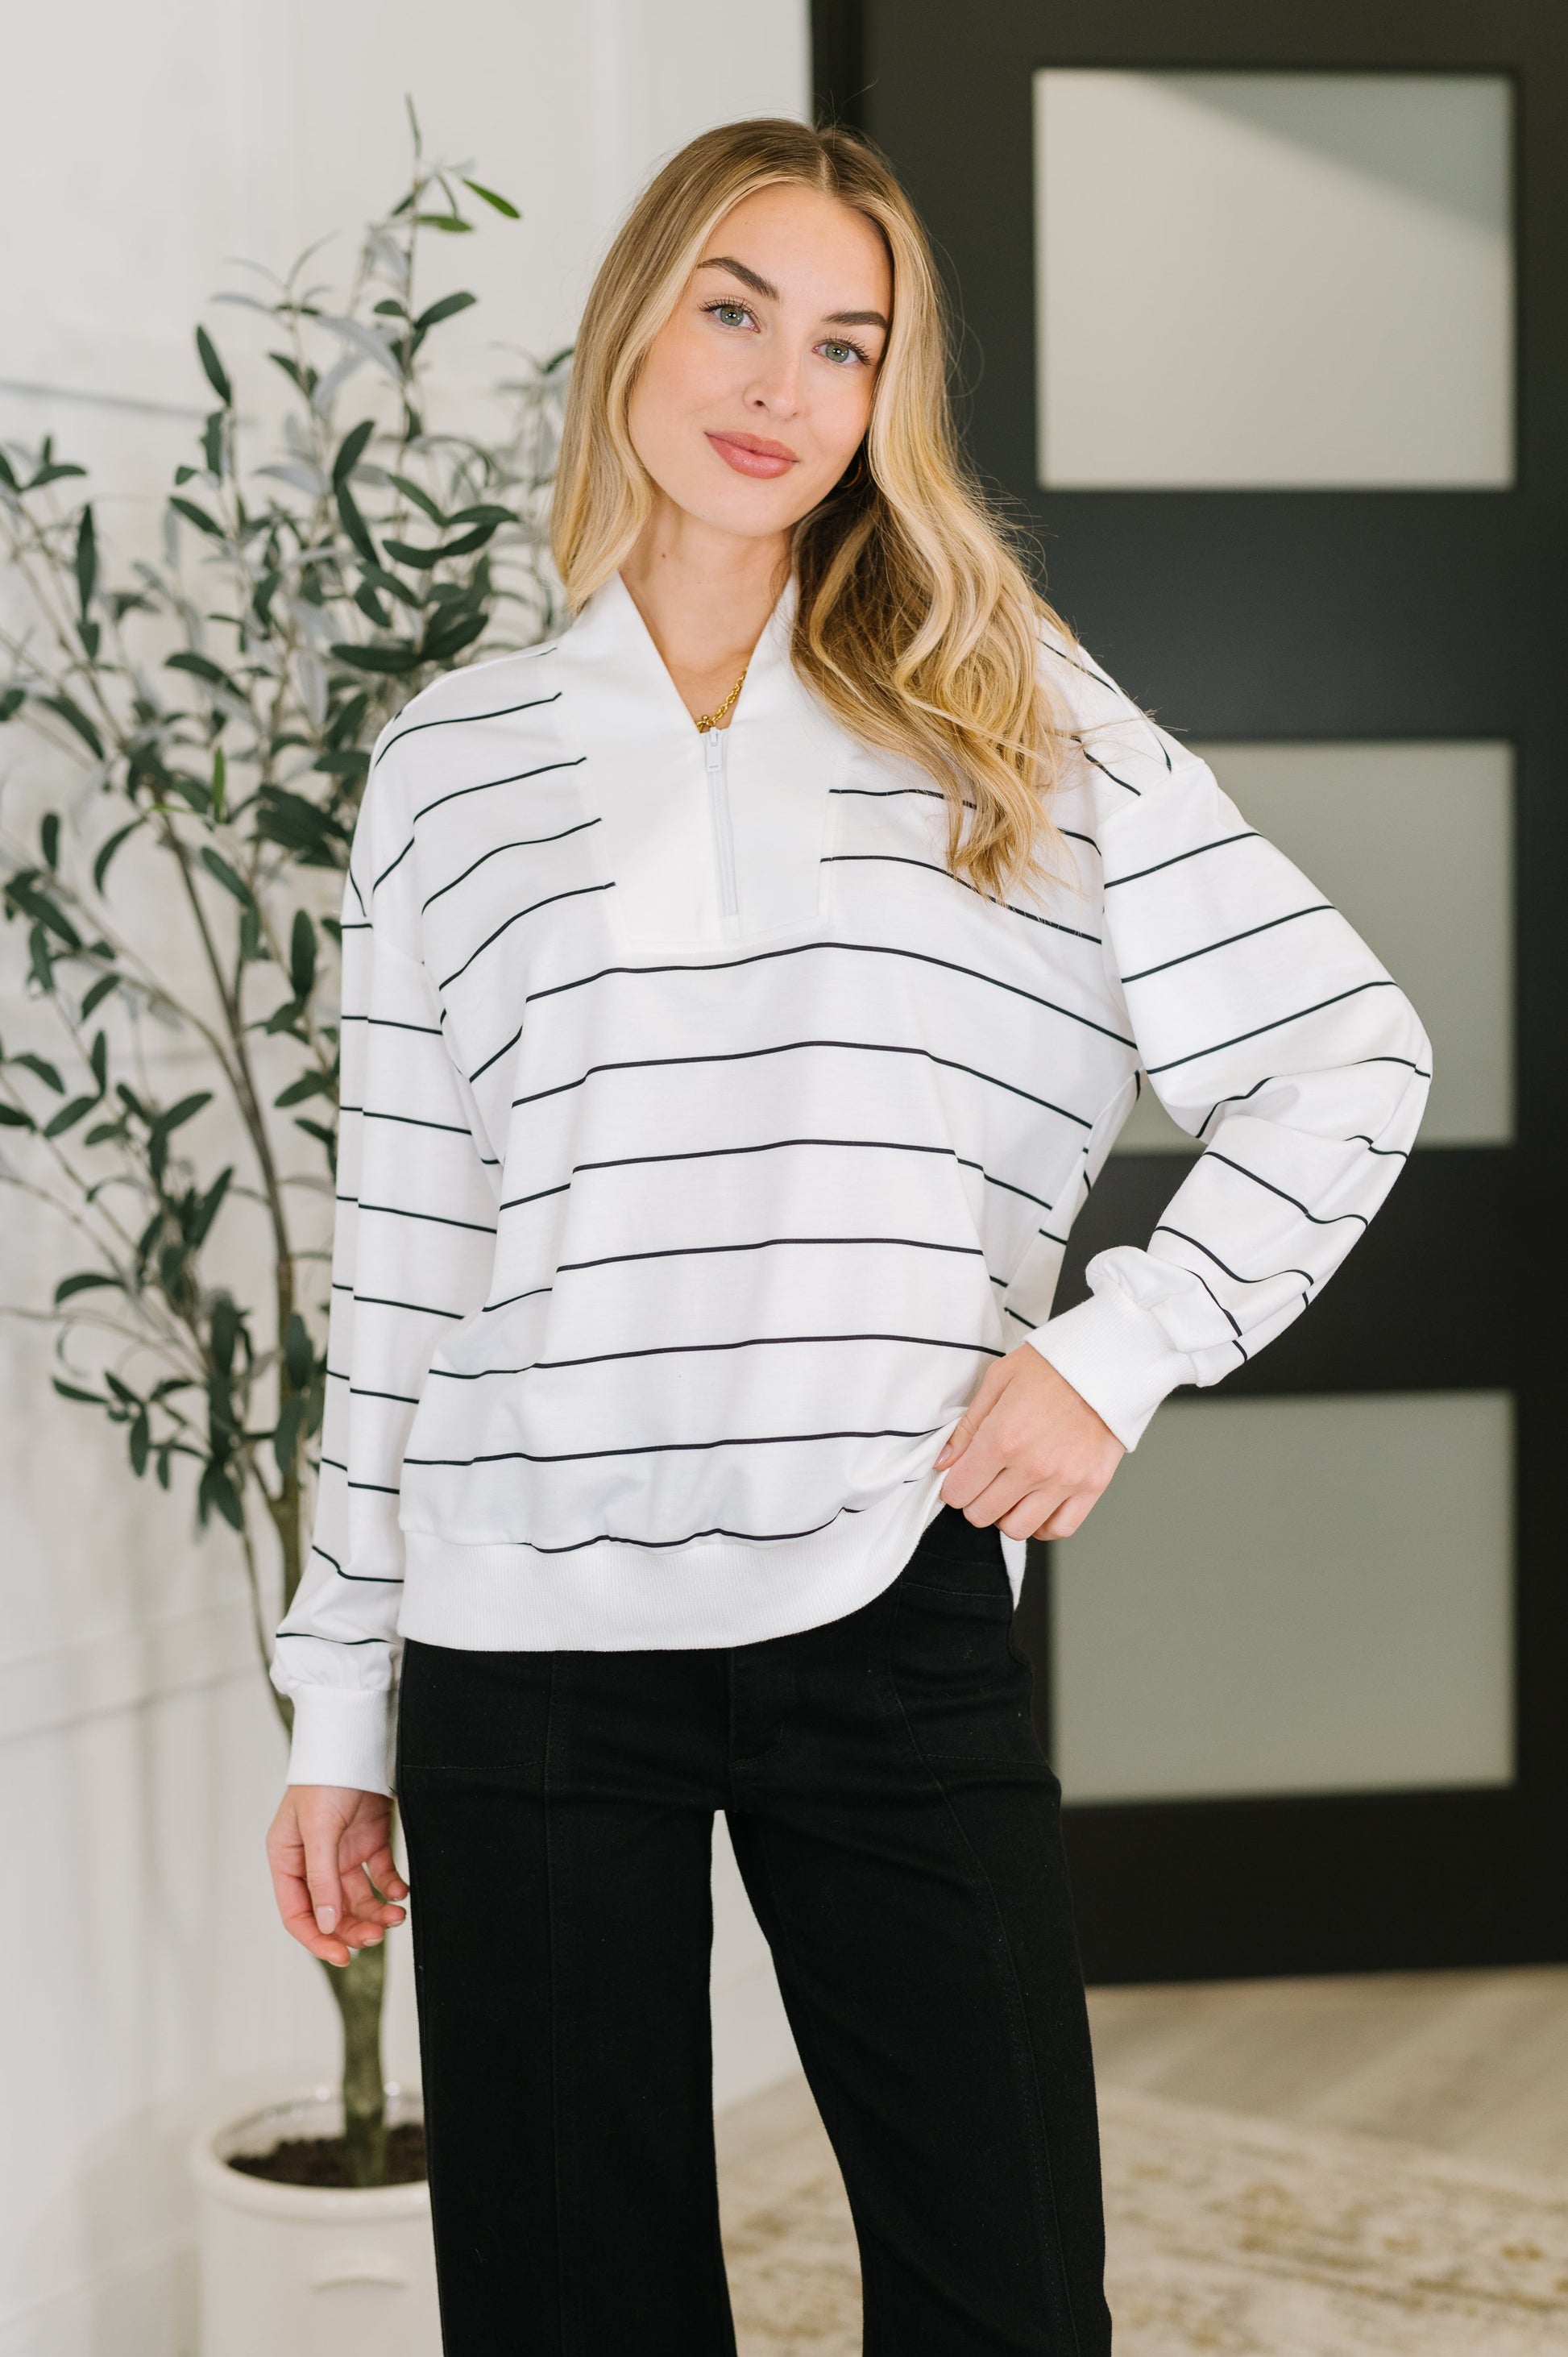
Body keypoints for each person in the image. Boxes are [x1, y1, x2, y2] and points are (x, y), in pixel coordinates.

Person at [263, 117, 1429, 2355]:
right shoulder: (450, 768)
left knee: (1007, 2299)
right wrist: (340, 1702)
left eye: (843, 343)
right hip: (521, 1628)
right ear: (634, 322)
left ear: (886, 399)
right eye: (734, 309)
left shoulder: (1012, 710)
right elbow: (403, 1257)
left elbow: (1344, 1054)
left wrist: (1116, 1352)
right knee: (567, 2316)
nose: (776, 384)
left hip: (885, 1580)